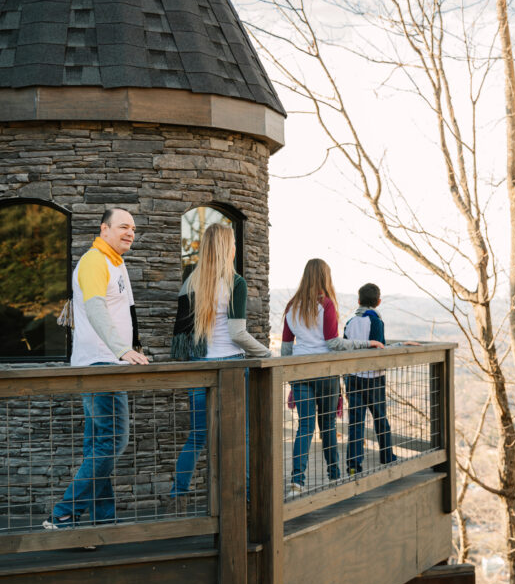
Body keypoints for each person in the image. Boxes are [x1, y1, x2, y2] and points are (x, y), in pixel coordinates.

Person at [44, 208, 149, 530]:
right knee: (113, 441)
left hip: (107, 362)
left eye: (132, 228)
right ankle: (64, 511)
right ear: (104, 229)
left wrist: (134, 347)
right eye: (122, 227)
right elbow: (94, 307)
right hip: (100, 364)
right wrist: (122, 350)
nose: (129, 232)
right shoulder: (94, 260)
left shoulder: (116, 262)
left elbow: (123, 313)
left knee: (99, 445)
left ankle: (105, 520)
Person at [168, 224, 269, 510]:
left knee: (198, 435)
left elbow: (183, 335)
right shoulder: (235, 282)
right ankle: (246, 499)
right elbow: (238, 334)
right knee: (242, 435)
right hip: (233, 368)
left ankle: (178, 496)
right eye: (234, 242)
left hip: (200, 367)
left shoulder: (191, 280)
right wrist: (267, 354)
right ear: (229, 247)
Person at [281, 259, 384, 495]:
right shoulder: (325, 304)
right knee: (327, 426)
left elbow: (286, 348)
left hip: (299, 372)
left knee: (304, 427)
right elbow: (333, 343)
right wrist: (367, 343)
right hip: (324, 372)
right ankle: (335, 477)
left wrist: (291, 376)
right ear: (324, 278)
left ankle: (297, 482)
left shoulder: (291, 306)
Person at [342, 283, 398, 475]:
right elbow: (379, 347)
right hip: (373, 377)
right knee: (380, 417)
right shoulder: (375, 321)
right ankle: (387, 455)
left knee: (356, 421)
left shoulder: (350, 322)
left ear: (358, 301)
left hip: (352, 376)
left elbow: (345, 346)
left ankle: (353, 463)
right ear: (378, 302)